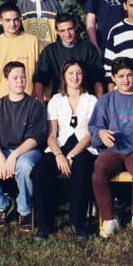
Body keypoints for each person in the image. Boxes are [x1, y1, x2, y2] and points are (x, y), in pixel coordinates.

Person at [89, 57, 133, 238]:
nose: (126, 80)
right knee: (98, 173)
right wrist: (101, 133)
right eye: (121, 76)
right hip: (113, 149)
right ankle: (109, 219)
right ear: (113, 78)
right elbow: (95, 126)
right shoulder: (106, 100)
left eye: (129, 75)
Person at [0, 62, 46, 231]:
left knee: (25, 166)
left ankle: (25, 210)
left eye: (23, 77)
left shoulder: (34, 106)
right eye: (15, 78)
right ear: (6, 81)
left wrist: (14, 155)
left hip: (28, 151)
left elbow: (37, 137)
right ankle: (1, 205)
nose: (20, 81)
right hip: (2, 149)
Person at [31, 60, 98, 242]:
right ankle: (46, 224)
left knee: (81, 170)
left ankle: (78, 224)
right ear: (63, 76)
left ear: (83, 76)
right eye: (70, 73)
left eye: (78, 73)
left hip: (83, 148)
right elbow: (51, 135)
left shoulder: (91, 100)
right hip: (60, 146)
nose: (75, 77)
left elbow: (89, 135)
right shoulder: (56, 100)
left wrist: (71, 155)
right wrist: (59, 155)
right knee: (39, 172)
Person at [32, 13, 105, 100]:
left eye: (70, 29)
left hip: (85, 99)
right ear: (57, 32)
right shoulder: (50, 51)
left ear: (76, 27)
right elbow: (40, 79)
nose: (67, 34)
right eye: (62, 31)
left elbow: (97, 79)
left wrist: (100, 102)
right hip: (60, 99)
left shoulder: (88, 49)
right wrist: (40, 102)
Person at [0, 2, 43, 106]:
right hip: (0, 103)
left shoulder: (33, 42)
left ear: (20, 19)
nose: (12, 24)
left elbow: (42, 73)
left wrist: (42, 98)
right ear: (0, 20)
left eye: (16, 19)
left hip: (28, 102)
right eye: (8, 20)